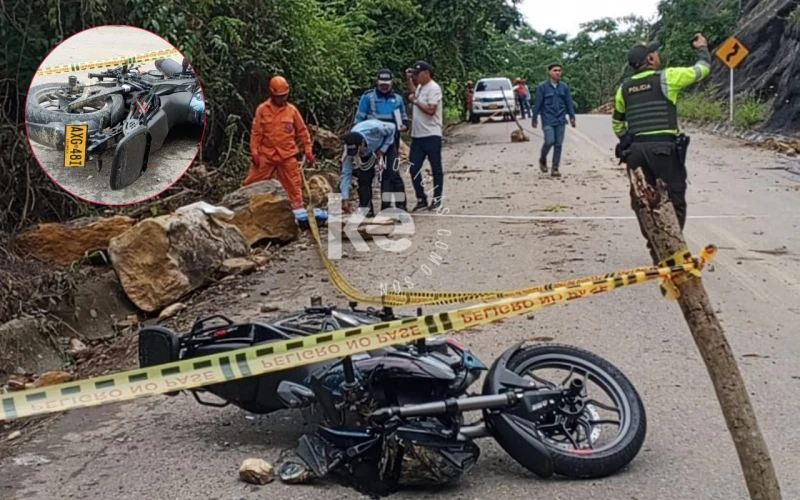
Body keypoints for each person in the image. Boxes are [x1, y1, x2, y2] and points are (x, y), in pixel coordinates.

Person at [612, 34, 711, 264]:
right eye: (655, 52)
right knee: (673, 197)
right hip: (664, 150)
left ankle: (655, 248)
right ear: (650, 59)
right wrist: (703, 49)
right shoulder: (668, 77)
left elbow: (617, 124)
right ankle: (673, 250)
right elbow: (702, 70)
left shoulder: (623, 89)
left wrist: (628, 139)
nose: (658, 54)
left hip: (635, 152)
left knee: (642, 201)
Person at [245, 76, 315, 211]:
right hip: (266, 155)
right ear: (272, 94)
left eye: (285, 96)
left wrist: (308, 150)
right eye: (280, 96)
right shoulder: (262, 110)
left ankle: (297, 212)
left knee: (294, 187)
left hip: (287, 155)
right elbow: (256, 133)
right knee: (253, 184)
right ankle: (246, 208)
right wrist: (254, 152)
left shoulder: (292, 111)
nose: (283, 99)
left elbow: (302, 131)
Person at [353, 68, 410, 213]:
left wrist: (404, 126)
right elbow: (358, 121)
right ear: (377, 83)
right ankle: (367, 210)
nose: (384, 86)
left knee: (391, 174)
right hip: (370, 143)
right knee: (365, 176)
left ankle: (395, 207)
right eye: (381, 84)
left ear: (391, 83)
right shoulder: (368, 98)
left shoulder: (397, 99)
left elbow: (404, 119)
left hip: (391, 142)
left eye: (387, 84)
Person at [405, 60, 444, 211]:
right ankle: (421, 198)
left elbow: (430, 110)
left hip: (431, 134)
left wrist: (415, 101)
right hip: (417, 135)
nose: (416, 77)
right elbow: (415, 93)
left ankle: (437, 198)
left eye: (417, 74)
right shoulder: (420, 87)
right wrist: (409, 80)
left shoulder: (434, 88)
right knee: (414, 168)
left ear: (426, 73)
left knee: (436, 168)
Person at [341, 119, 398, 218]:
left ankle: (386, 208)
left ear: (362, 143)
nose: (356, 154)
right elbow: (346, 174)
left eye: (358, 151)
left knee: (389, 175)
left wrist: (382, 150)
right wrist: (345, 198)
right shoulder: (349, 150)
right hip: (368, 153)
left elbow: (393, 128)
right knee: (363, 180)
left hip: (386, 144)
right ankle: (367, 211)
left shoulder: (376, 129)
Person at [531, 63, 576, 177]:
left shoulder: (564, 87)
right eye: (555, 70)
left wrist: (572, 117)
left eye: (559, 70)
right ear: (549, 72)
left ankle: (555, 168)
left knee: (558, 144)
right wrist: (534, 118)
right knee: (549, 141)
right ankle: (543, 158)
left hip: (560, 119)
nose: (558, 72)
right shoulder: (543, 87)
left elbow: (568, 102)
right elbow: (538, 103)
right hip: (548, 119)